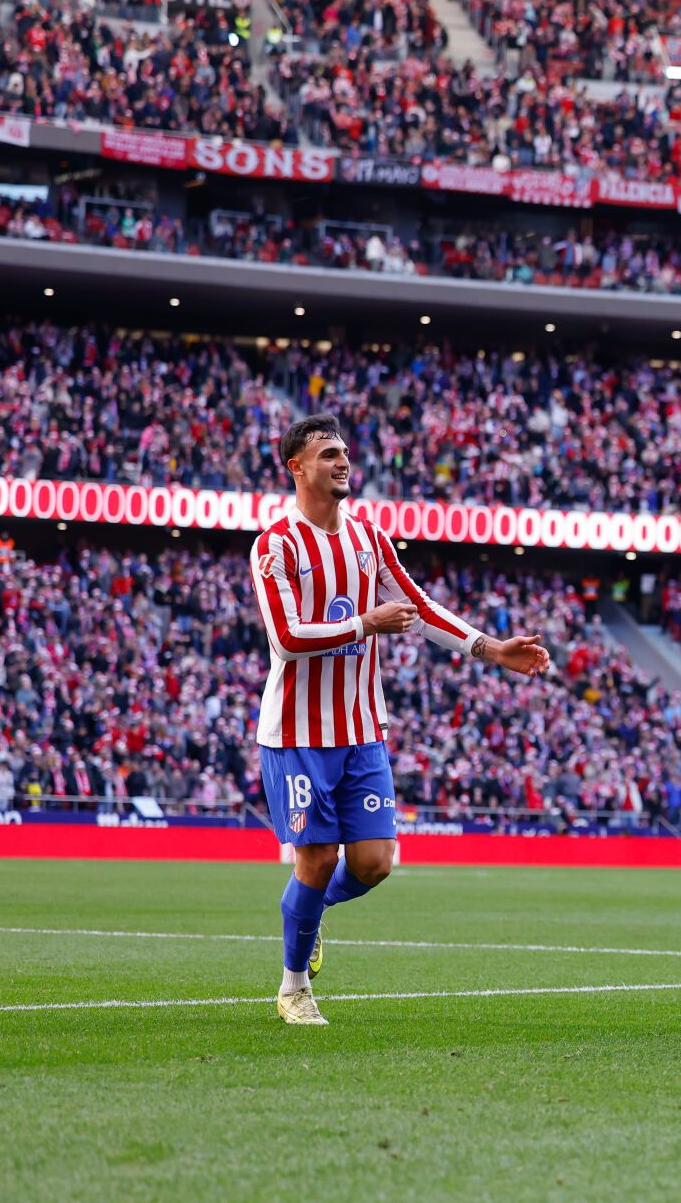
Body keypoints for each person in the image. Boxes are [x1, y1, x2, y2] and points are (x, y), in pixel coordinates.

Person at [253, 414, 551, 1026]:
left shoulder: (369, 538)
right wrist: (364, 623)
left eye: (345, 453)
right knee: (315, 858)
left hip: (362, 730)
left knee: (373, 864)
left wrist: (491, 649)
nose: (342, 462)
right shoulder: (275, 545)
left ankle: (311, 917)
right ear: (297, 468)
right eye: (328, 454)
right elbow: (284, 639)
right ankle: (293, 988)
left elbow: (416, 608)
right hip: (298, 735)